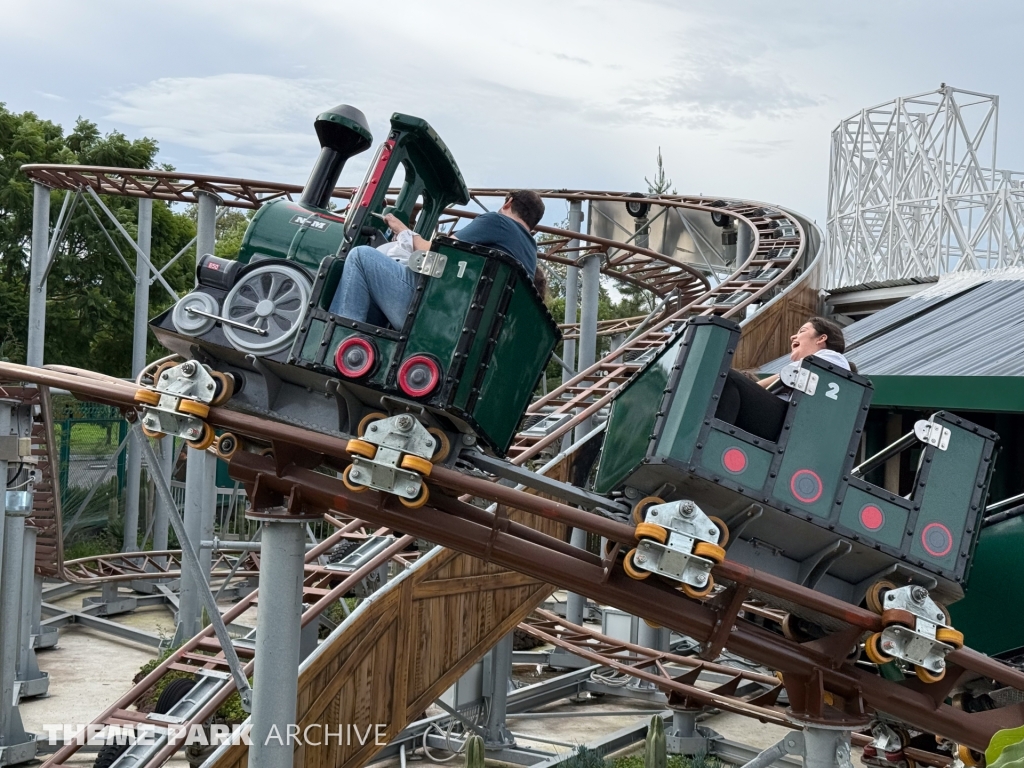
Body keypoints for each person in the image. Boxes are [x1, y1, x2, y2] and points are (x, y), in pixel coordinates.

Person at [329, 190, 545, 329]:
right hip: (461, 324)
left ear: (509, 203)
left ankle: (340, 337)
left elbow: (437, 254)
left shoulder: (498, 222)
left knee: (361, 256)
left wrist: (403, 231)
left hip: (432, 312)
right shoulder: (529, 254)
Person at [717, 316, 851, 441]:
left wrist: (751, 387)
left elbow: (796, 373)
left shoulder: (833, 357)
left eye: (802, 331)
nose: (793, 337)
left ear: (821, 339)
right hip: (787, 421)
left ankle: (715, 438)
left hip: (791, 423)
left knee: (728, 378)